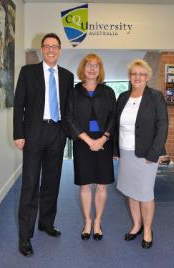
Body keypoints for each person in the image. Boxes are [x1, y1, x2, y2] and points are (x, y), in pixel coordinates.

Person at [13, 33, 74, 256]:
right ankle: (25, 237)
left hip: (57, 134)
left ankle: (46, 223)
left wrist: (68, 134)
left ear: (60, 50)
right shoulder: (28, 72)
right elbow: (19, 104)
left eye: (54, 46)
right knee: (30, 185)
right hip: (34, 133)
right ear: (41, 49)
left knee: (52, 182)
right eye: (47, 46)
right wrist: (18, 134)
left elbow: (69, 109)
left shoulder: (67, 76)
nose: (50, 50)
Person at [114, 59, 168, 249]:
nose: (137, 77)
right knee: (130, 192)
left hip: (146, 154)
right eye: (134, 74)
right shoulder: (122, 97)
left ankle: (147, 230)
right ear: (129, 76)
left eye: (141, 74)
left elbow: (162, 125)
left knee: (145, 194)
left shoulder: (155, 96)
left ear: (147, 77)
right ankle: (137, 225)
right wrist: (116, 150)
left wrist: (154, 153)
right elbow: (115, 125)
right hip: (126, 151)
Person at [65, 53, 116, 241]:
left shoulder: (108, 91)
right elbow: (69, 118)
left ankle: (97, 221)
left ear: (100, 69)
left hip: (104, 141)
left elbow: (113, 117)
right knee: (85, 185)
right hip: (82, 141)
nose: (92, 68)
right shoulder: (74, 91)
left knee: (102, 185)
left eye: (96, 65)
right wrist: (88, 140)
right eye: (89, 65)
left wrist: (104, 138)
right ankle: (87, 221)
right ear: (83, 68)